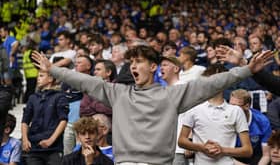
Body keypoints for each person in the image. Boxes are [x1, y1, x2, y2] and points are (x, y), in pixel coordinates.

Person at [32, 45, 273, 165]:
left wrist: (247, 69)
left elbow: (213, 83)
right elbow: (83, 80)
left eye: (139, 62)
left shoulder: (172, 95)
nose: (133, 66)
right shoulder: (118, 93)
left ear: (154, 66)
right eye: (131, 63)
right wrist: (53, 69)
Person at [178, 64, 252, 165]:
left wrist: (222, 150)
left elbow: (247, 150)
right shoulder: (194, 108)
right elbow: (181, 141)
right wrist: (202, 148)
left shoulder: (236, 111)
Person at [21, 70, 69, 165]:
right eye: (38, 76)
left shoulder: (60, 97)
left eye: (41, 76)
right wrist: (25, 140)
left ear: (51, 79)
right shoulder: (33, 97)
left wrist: (51, 140)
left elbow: (63, 120)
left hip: (53, 148)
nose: (38, 78)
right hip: (34, 147)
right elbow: (25, 121)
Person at [229, 89, 272, 165]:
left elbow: (266, 155)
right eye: (230, 105)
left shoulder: (262, 121)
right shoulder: (224, 120)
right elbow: (222, 152)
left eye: (235, 106)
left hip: (255, 156)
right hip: (231, 157)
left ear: (247, 106)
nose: (231, 110)